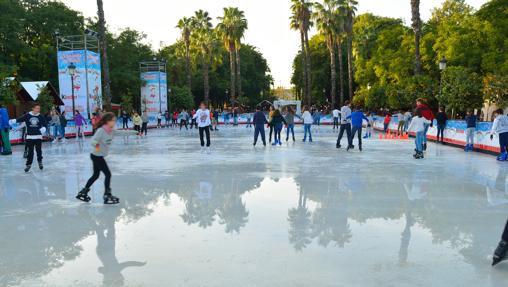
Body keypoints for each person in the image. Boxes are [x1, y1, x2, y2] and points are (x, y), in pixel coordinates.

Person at [76, 112, 138, 204]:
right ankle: (107, 194)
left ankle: (83, 192)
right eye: (113, 120)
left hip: (98, 156)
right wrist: (97, 146)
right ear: (108, 121)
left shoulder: (111, 131)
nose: (114, 122)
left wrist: (135, 132)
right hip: (96, 156)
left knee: (96, 175)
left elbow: (122, 132)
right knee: (108, 174)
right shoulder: (101, 130)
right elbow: (93, 140)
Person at [9, 103, 47, 172]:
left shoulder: (41, 116)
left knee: (39, 151)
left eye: (39, 108)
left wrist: (44, 128)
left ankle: (40, 162)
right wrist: (13, 121)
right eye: (37, 108)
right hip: (30, 137)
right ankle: (28, 165)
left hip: (38, 137)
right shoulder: (27, 115)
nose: (38, 110)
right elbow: (20, 119)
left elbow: (44, 124)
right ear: (33, 108)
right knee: (30, 152)